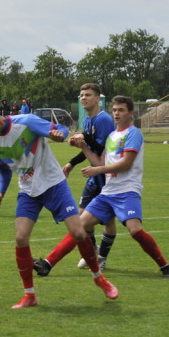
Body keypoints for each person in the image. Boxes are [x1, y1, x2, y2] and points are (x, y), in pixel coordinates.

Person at [0, 99, 119, 308]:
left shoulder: (27, 122)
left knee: (78, 232)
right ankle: (29, 295)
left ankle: (98, 277)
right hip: (28, 190)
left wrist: (59, 134)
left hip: (53, 184)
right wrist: (1, 192)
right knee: (21, 237)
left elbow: (60, 128)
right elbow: (4, 170)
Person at [35, 96, 169, 279]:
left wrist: (97, 170)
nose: (116, 113)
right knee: (79, 226)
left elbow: (126, 164)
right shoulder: (111, 137)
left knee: (135, 231)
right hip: (108, 192)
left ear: (131, 113)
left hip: (127, 190)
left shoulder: (133, 133)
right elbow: (99, 161)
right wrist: (83, 146)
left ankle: (164, 266)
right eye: (114, 110)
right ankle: (47, 264)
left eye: (121, 110)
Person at [32, 83, 117, 276]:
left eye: (88, 95)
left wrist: (84, 138)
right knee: (80, 217)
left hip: (105, 175)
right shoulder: (87, 119)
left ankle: (101, 257)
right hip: (93, 176)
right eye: (81, 95)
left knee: (108, 222)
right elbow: (89, 149)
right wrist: (71, 162)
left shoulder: (103, 120)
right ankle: (94, 250)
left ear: (98, 99)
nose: (83, 98)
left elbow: (103, 150)